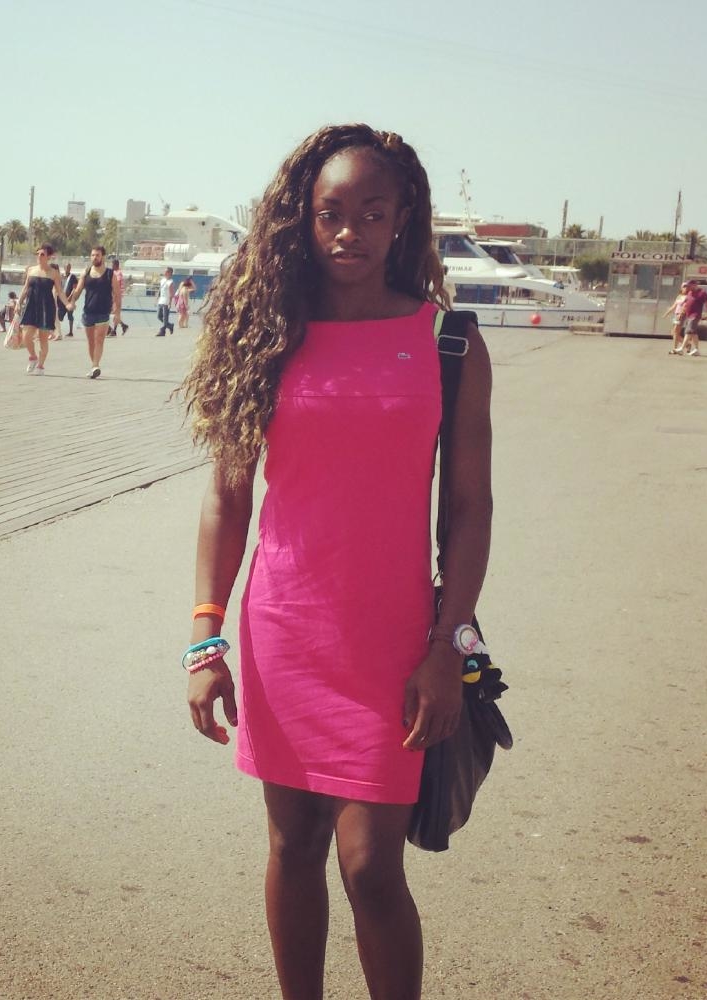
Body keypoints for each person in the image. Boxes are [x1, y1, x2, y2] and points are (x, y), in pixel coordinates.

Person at [178, 124, 493, 1000]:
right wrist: (205, 640)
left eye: (372, 212)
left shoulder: (450, 341)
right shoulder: (267, 337)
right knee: (292, 844)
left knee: (370, 866)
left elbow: (469, 509)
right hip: (285, 631)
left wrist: (448, 646)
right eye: (331, 213)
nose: (350, 230)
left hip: (397, 643)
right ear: (303, 219)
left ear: (403, 220)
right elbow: (227, 500)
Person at [16, 245, 72, 375]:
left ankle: (40, 366)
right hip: (31, 306)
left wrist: (67, 304)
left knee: (43, 339)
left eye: (42, 254)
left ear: (48, 257)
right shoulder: (31, 270)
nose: (39, 256)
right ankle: (33, 357)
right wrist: (19, 302)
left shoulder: (53, 273)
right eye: (38, 254)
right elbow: (25, 288)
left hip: (46, 308)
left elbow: (60, 291)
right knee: (26, 337)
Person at [66, 244, 114, 378]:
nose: (94, 257)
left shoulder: (110, 274)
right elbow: (78, 290)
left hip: (103, 312)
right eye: (92, 255)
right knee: (91, 341)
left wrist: (117, 312)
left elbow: (116, 293)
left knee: (99, 340)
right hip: (88, 311)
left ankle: (96, 365)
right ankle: (94, 366)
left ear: (103, 257)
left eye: (97, 255)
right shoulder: (86, 272)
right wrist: (72, 302)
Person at [678, 279, 706, 357]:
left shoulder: (702, 293)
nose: (688, 287)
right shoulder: (690, 292)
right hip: (688, 315)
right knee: (693, 333)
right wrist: (681, 312)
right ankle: (696, 350)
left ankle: (681, 349)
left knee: (689, 331)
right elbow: (686, 303)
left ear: (694, 285)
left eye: (689, 286)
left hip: (695, 315)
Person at [664, 286, 688, 355]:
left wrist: (681, 314)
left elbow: (685, 307)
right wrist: (666, 313)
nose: (685, 289)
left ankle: (675, 349)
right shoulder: (679, 296)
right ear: (681, 288)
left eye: (686, 287)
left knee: (676, 331)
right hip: (676, 315)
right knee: (673, 333)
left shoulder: (687, 297)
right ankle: (687, 344)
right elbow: (674, 306)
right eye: (684, 287)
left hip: (681, 315)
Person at [108, 256, 129, 336]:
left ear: (116, 265)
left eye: (112, 264)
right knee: (110, 312)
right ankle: (122, 326)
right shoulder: (113, 272)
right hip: (113, 295)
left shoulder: (118, 273)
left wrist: (115, 295)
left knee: (115, 313)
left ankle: (114, 330)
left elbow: (118, 283)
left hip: (117, 295)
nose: (111, 266)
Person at [58, 262, 78, 337]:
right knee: (59, 316)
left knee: (70, 315)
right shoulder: (61, 276)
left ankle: (70, 332)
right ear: (64, 268)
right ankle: (57, 331)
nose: (68, 269)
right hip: (61, 300)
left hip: (70, 300)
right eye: (66, 267)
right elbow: (59, 287)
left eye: (69, 267)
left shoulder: (73, 277)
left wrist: (69, 297)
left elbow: (74, 288)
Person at [155, 266, 175, 336]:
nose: (164, 273)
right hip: (161, 301)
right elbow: (160, 289)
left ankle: (162, 331)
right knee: (159, 316)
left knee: (165, 319)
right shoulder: (162, 280)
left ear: (170, 273)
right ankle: (170, 326)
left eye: (166, 271)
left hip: (166, 302)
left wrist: (170, 303)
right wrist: (157, 297)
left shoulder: (170, 282)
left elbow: (171, 293)